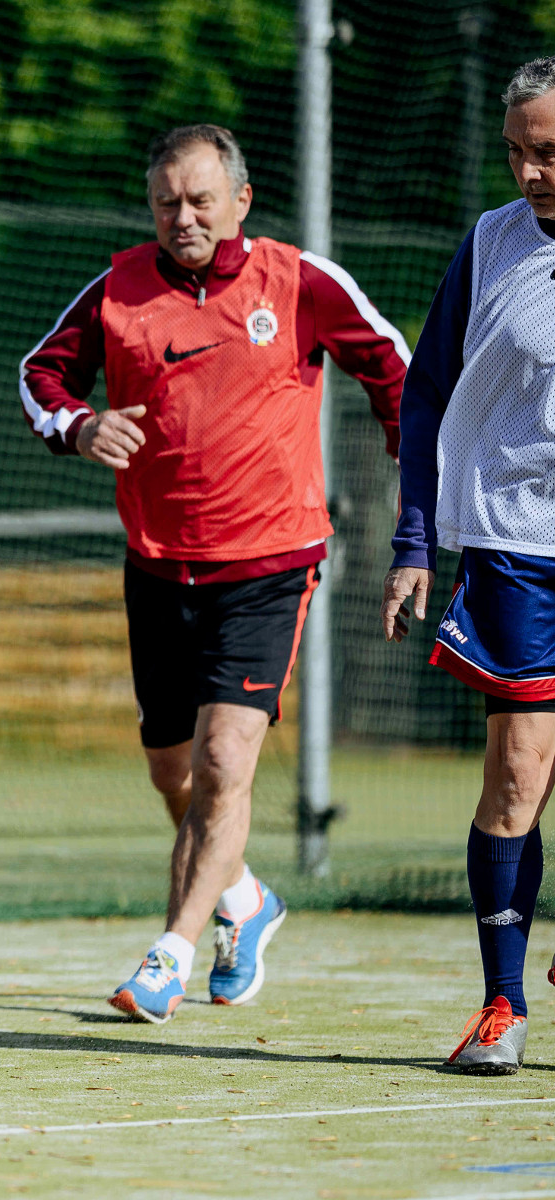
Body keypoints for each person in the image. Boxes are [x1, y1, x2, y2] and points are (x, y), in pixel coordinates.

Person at [20, 123, 408, 1023]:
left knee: (225, 758)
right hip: (158, 567)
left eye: (200, 200)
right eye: (166, 202)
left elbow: (397, 374)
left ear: (240, 199)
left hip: (271, 563)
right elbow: (40, 373)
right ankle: (243, 899)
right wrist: (79, 425)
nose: (183, 217)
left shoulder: (300, 281)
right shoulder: (117, 288)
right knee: (173, 773)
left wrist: (414, 489)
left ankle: (171, 951)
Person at [383, 56, 555, 1076]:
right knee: (518, 774)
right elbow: (426, 391)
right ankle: (501, 1004)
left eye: (552, 154)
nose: (532, 173)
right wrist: (414, 541)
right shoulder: (491, 244)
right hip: (517, 543)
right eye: (519, 153)